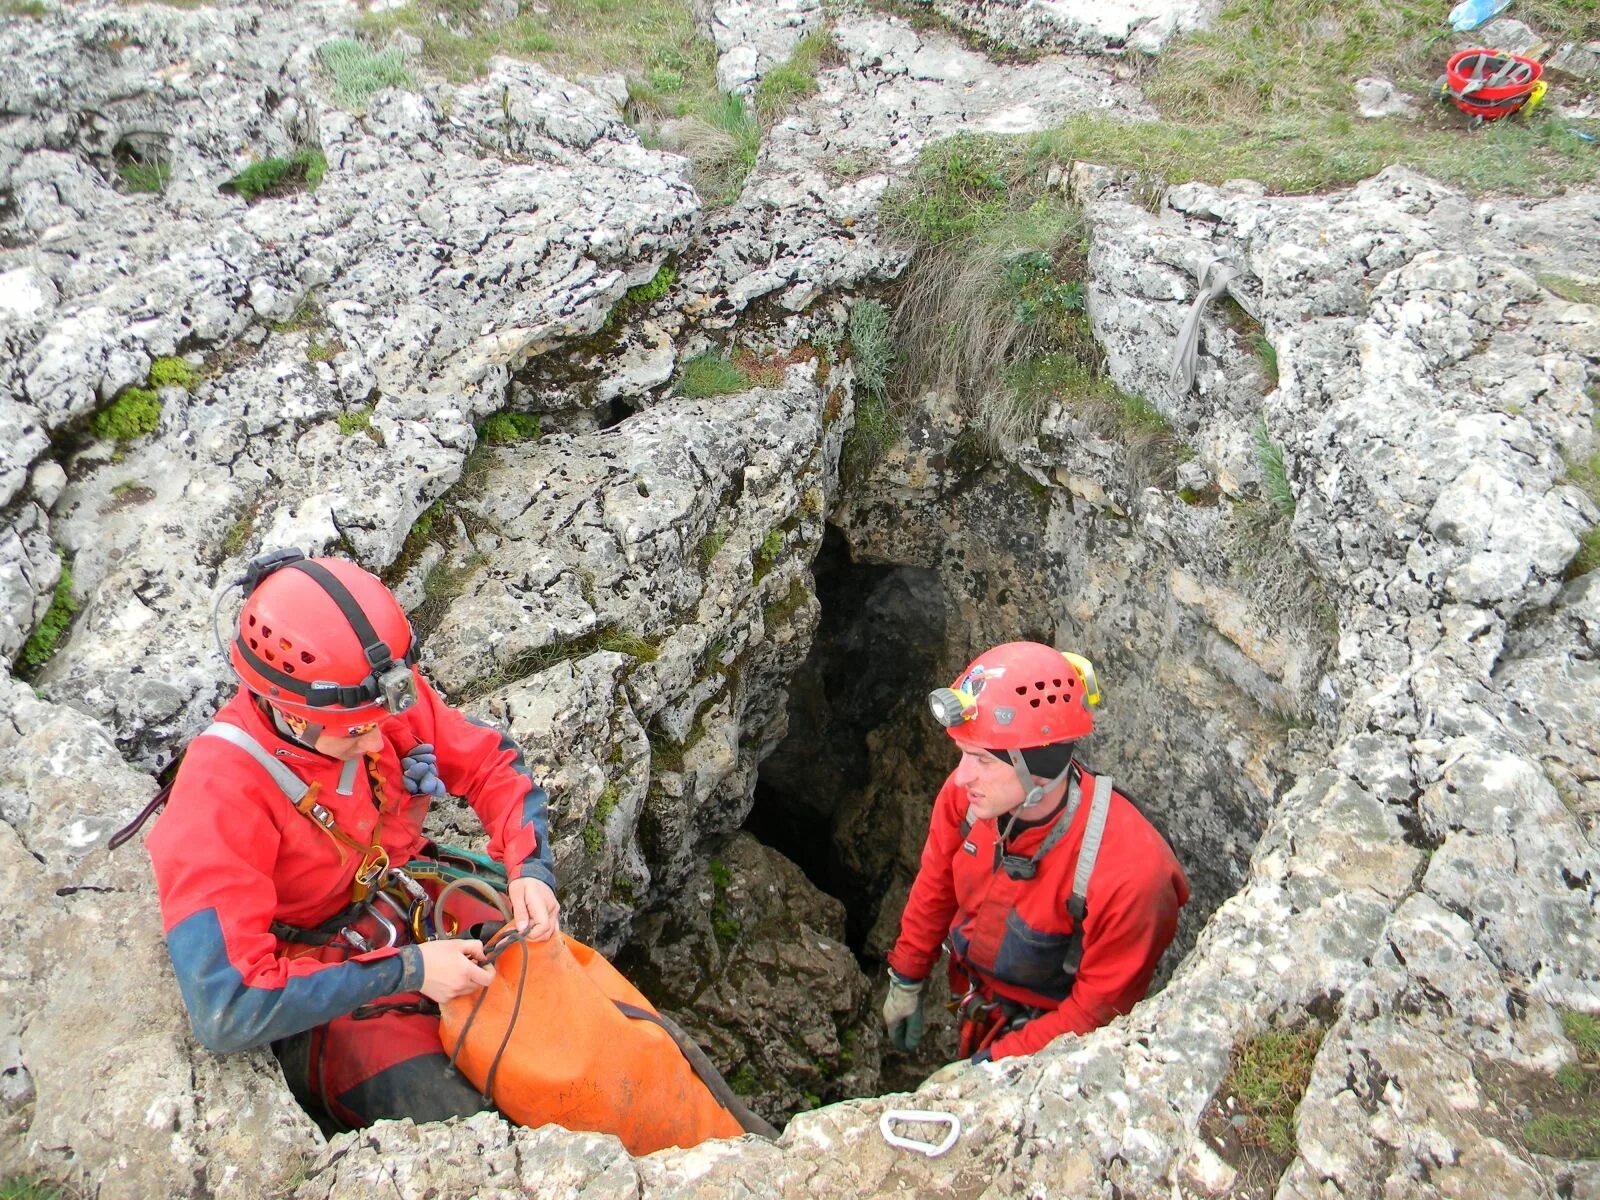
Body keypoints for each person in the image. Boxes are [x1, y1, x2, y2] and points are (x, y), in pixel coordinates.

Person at [146, 549, 559, 1128]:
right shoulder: (218, 795)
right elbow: (227, 1005)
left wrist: (529, 870)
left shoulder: (367, 698)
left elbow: (491, 765)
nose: (376, 743)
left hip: (410, 896)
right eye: (355, 735)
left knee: (573, 1021)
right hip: (320, 979)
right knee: (460, 1119)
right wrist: (409, 972)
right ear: (292, 716)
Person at [882, 642, 1188, 1063]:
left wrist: (993, 1066)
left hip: (1050, 1034)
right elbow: (936, 881)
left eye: (981, 761)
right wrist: (907, 975)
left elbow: (1096, 1012)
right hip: (978, 994)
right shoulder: (971, 802)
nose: (960, 777)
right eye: (963, 756)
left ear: (1037, 768)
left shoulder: (1132, 877)